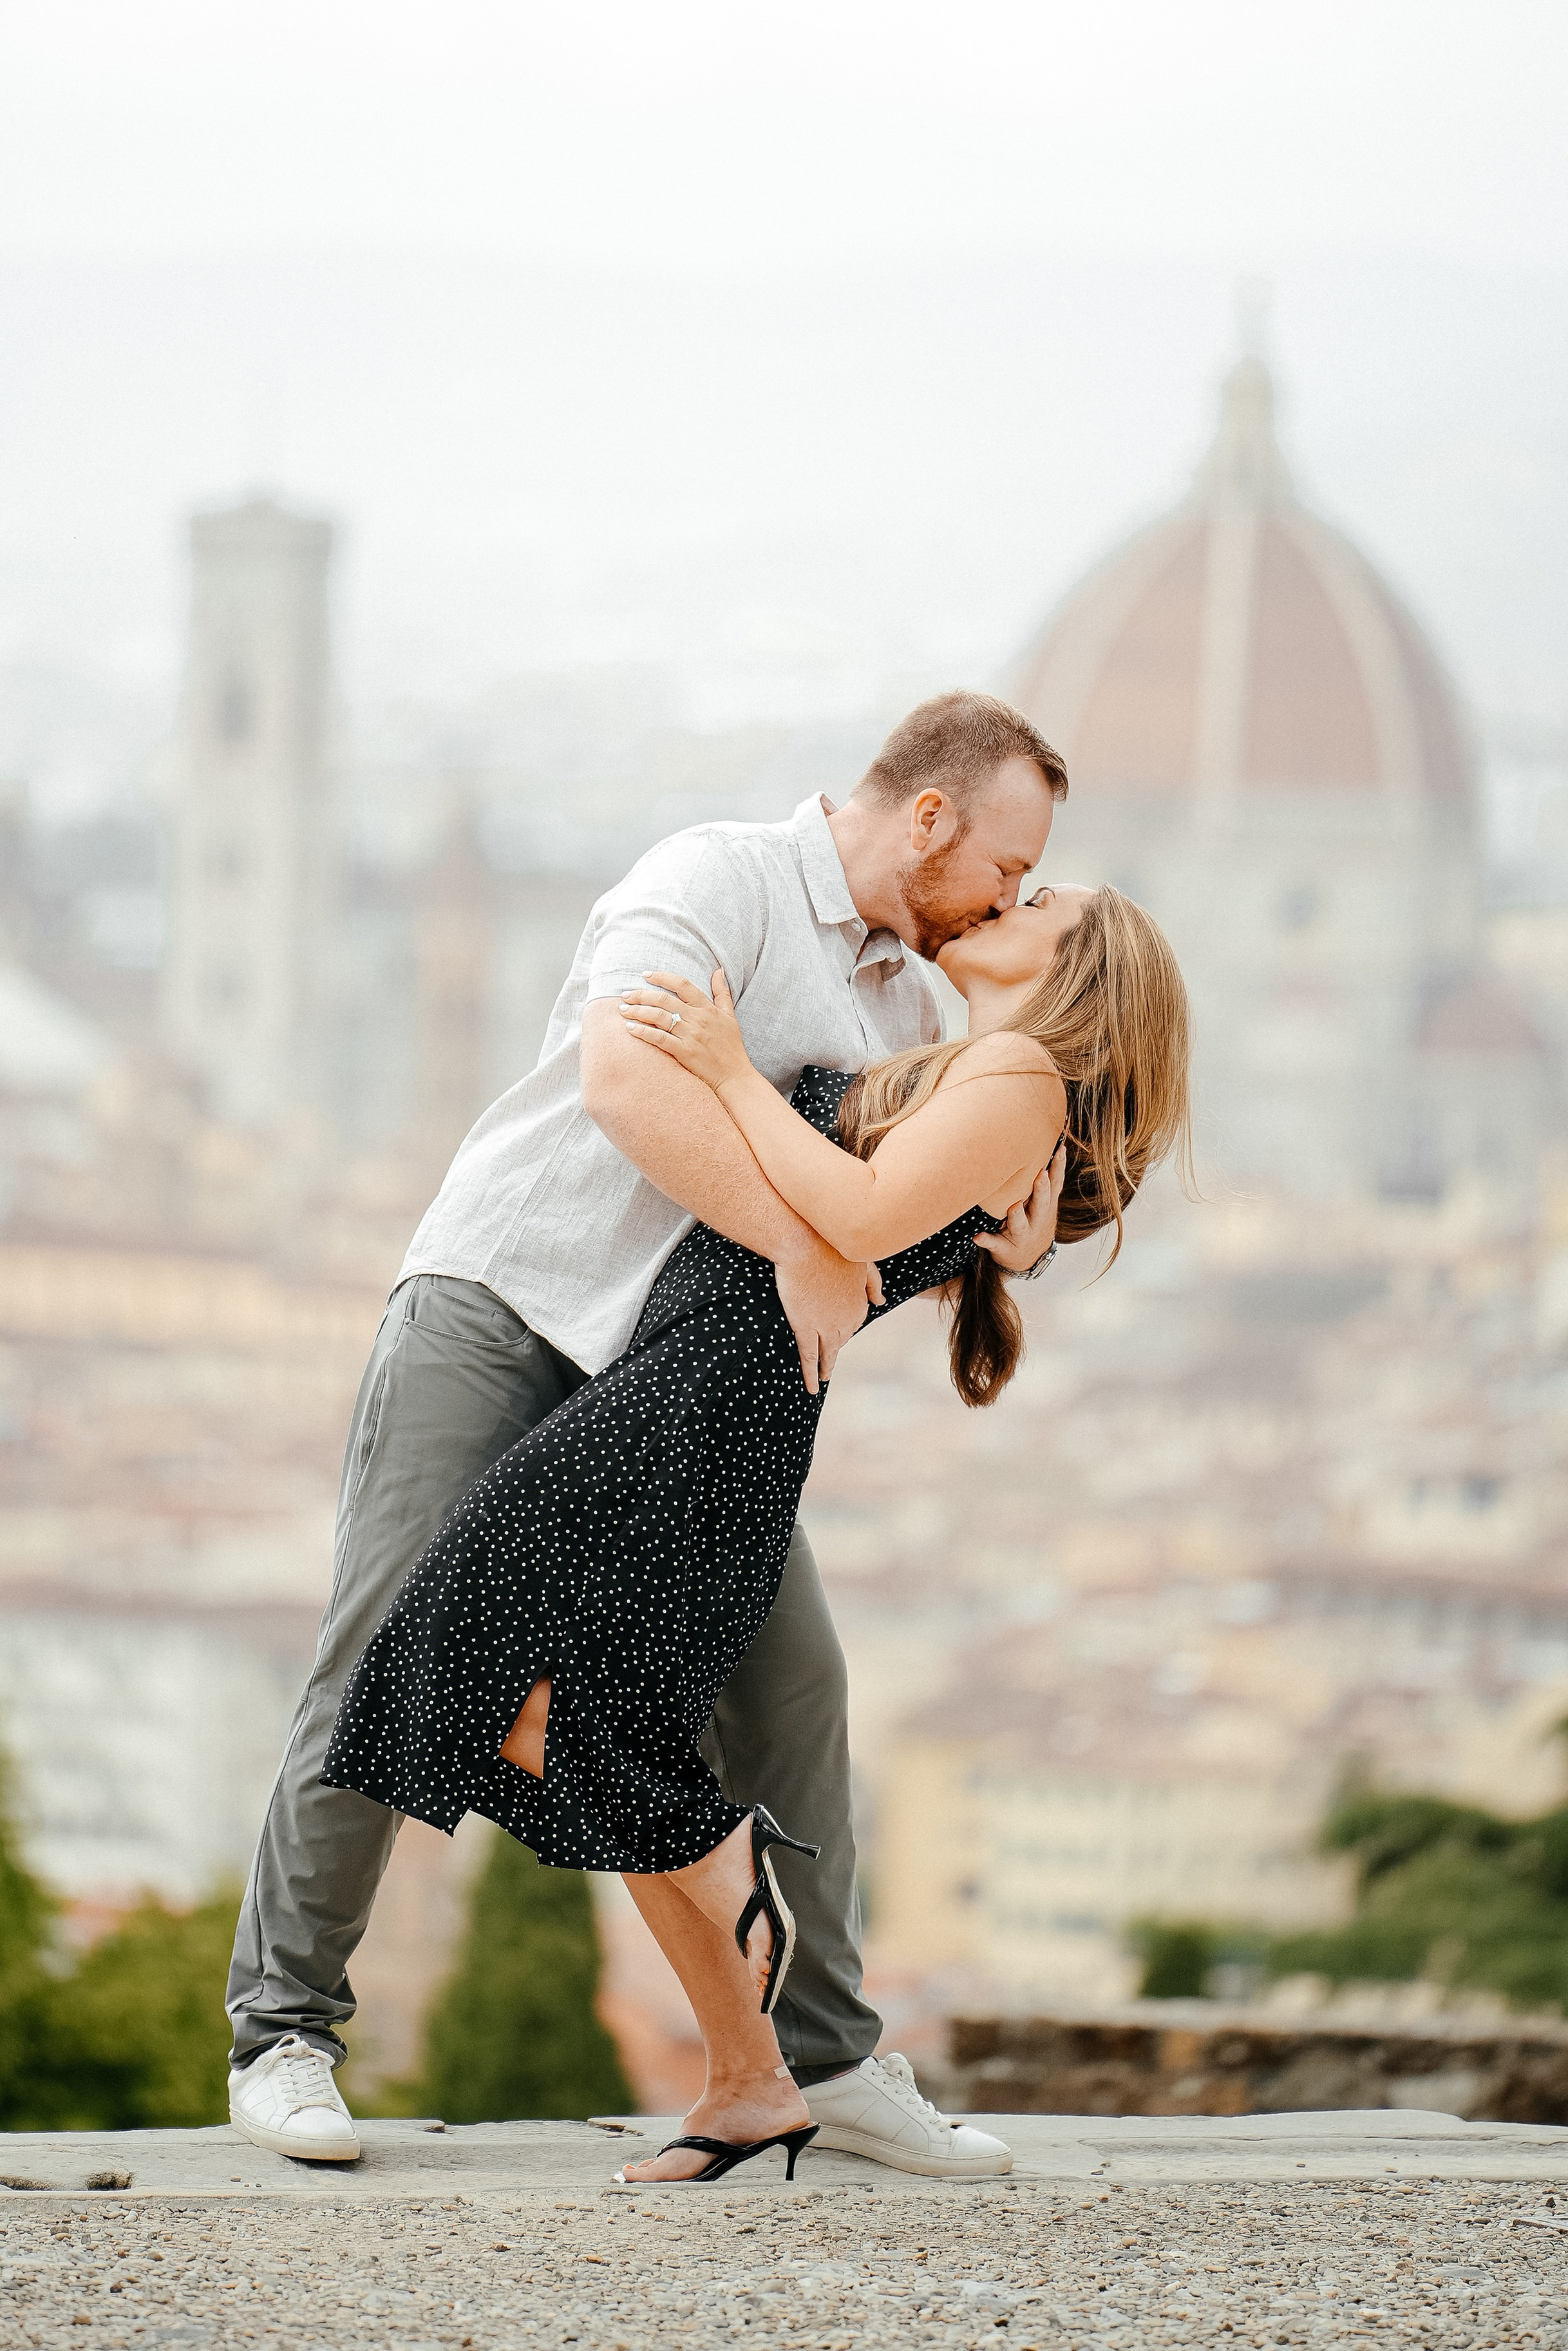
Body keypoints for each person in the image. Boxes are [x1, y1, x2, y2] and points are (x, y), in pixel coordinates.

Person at [226, 690, 1066, 2178]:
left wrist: (996, 1232)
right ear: (929, 816)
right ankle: (282, 2031)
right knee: (389, 1635)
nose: (1007, 895)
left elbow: (884, 1213)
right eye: (1004, 863)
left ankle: (827, 2060)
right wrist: (807, 1244)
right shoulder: (715, 878)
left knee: (793, 1684)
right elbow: (625, 1083)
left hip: (665, 1393)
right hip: (506, 1302)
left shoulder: (909, 1014)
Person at [321, 875, 1192, 2185]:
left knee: (457, 1647)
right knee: (571, 1717)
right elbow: (907, 1216)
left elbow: (856, 1221)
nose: (1017, 893)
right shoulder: (983, 1080)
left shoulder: (1017, 1074)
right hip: (708, 1401)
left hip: (701, 1405)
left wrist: (730, 1071)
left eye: (1046, 897)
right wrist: (995, 1243)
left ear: (1084, 965)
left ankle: (723, 1865)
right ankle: (747, 2080)